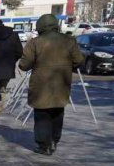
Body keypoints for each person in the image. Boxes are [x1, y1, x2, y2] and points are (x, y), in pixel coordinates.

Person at [17, 14, 85, 155]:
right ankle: (54, 140)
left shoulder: (35, 42)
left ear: (40, 26)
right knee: (58, 113)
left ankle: (44, 145)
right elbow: (79, 60)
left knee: (42, 115)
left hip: (40, 85)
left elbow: (24, 65)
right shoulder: (69, 41)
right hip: (62, 83)